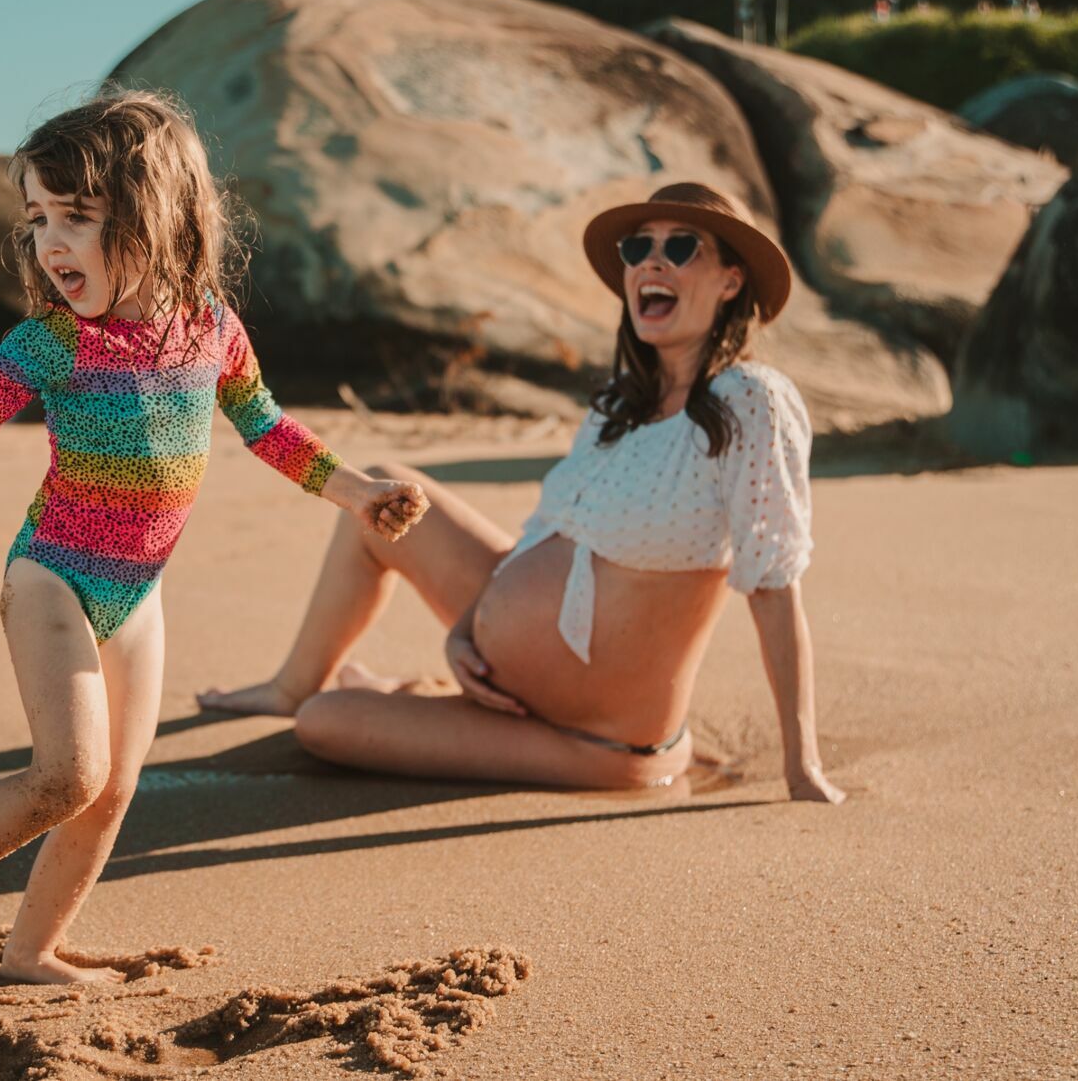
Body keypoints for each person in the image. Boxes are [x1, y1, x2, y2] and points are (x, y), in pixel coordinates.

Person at [0, 88, 429, 1019]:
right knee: (67, 776)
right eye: (37, 219)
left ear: (158, 215)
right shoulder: (51, 342)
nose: (51, 244)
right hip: (53, 576)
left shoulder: (213, 328)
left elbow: (267, 427)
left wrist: (360, 492)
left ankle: (32, 949)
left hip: (139, 592)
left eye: (77, 217)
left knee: (113, 790)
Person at [199, 183, 846, 806]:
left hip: (598, 741)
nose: (652, 261)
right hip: (507, 669)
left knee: (324, 723)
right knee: (379, 493)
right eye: (638, 247)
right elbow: (541, 543)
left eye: (681, 247)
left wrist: (803, 766)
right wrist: (465, 634)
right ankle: (291, 685)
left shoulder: (749, 401)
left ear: (731, 281)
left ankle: (400, 699)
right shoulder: (619, 405)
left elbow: (773, 583)